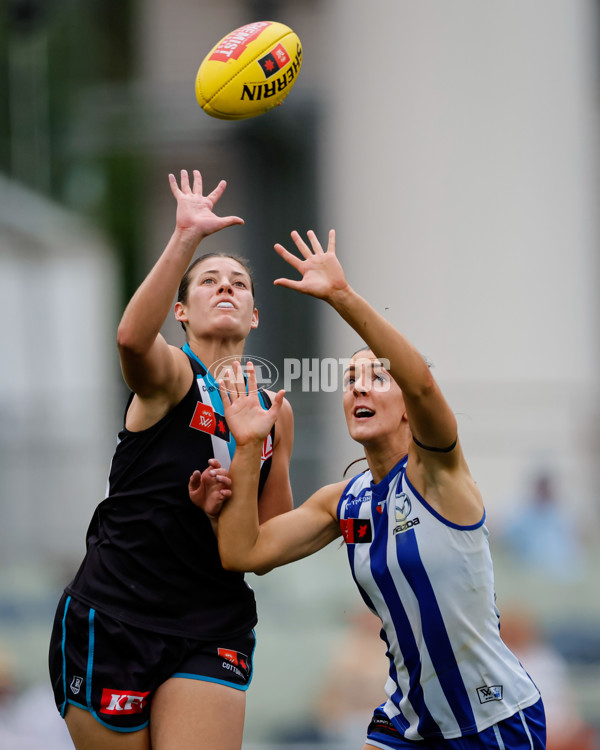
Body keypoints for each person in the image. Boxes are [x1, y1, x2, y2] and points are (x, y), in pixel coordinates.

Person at [214, 229, 547, 749]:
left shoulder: (441, 475)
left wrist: (341, 297)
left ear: (409, 406)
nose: (359, 388)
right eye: (350, 380)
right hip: (408, 721)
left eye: (377, 377)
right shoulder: (343, 499)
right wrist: (247, 448)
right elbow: (243, 552)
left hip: (491, 719)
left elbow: (422, 383)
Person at [47, 169, 294, 750]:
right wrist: (186, 237)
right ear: (181, 313)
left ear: (255, 315)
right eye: (208, 281)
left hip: (212, 622)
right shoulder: (171, 376)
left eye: (239, 282)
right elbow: (132, 339)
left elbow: (267, 545)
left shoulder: (272, 411)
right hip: (118, 613)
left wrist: (233, 486)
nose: (226, 287)